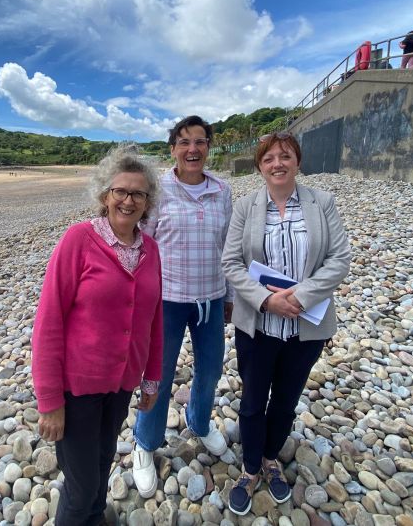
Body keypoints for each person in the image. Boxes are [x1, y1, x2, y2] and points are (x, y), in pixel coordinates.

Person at [32, 144, 164, 526]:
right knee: (81, 487)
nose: (128, 200)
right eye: (119, 191)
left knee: (101, 466)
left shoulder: (150, 250)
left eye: (138, 193)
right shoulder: (78, 240)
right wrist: (49, 400)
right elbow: (49, 322)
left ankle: (95, 518)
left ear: (147, 201)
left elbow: (154, 319)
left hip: (120, 385)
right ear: (105, 195)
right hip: (78, 390)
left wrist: (151, 378)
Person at [221, 132, 351, 515]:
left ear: (298, 161)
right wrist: (266, 300)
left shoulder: (322, 202)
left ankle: (271, 458)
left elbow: (339, 260)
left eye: (285, 156)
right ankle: (248, 469)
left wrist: (300, 297)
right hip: (258, 326)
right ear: (260, 166)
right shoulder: (246, 207)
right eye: (269, 158)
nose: (277, 163)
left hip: (305, 327)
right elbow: (231, 263)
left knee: (286, 400)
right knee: (251, 400)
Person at [132, 115, 233, 498]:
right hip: (167, 301)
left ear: (209, 147)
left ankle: (200, 421)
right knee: (156, 374)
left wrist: (229, 297)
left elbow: (228, 246)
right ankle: (145, 441)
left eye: (201, 141)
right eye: (184, 141)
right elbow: (144, 245)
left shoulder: (222, 190)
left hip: (210, 298)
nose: (193, 149)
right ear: (172, 148)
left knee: (209, 371)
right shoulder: (158, 190)